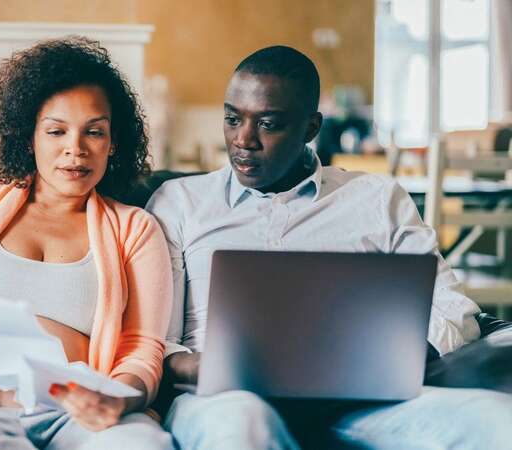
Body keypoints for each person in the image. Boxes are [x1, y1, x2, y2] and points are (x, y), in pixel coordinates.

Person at [146, 45, 512, 449]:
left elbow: (453, 308)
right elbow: (152, 335)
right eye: (232, 119)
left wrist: (399, 358)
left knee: (494, 419)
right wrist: (200, 367)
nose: (243, 140)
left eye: (268, 124)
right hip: (223, 398)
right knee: (242, 427)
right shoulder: (179, 202)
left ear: (310, 128)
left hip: (361, 402)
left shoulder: (377, 198)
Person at [0, 37, 174, 450]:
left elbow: (142, 350)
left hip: (79, 420)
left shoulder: (136, 229)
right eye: (56, 131)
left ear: (113, 143)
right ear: (29, 137)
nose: (75, 149)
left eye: (94, 132)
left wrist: (117, 397)